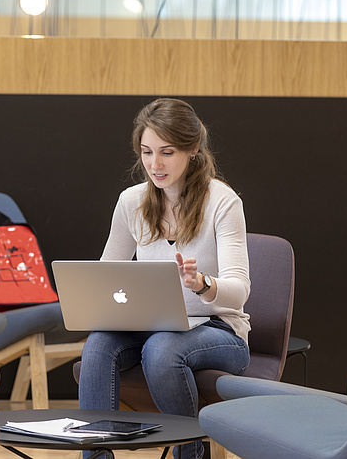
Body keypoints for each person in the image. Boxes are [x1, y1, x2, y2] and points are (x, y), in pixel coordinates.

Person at [78, 98, 251, 459]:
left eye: (167, 152)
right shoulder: (131, 202)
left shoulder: (223, 202)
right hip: (152, 325)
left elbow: (239, 292)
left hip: (218, 329)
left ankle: (190, 455)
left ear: (193, 149)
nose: (154, 165)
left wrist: (203, 283)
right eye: (146, 152)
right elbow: (106, 273)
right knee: (97, 346)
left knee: (161, 351)